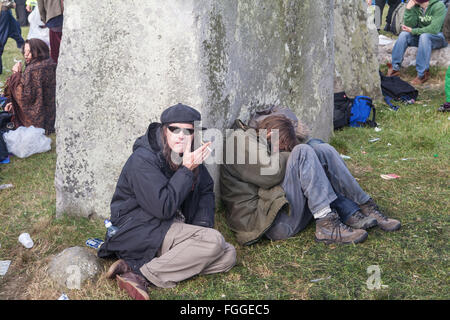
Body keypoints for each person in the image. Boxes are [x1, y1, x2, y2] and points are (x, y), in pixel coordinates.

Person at [98, 103, 237, 300]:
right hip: (138, 230)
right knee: (213, 242)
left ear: (194, 135)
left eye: (188, 131)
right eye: (175, 129)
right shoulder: (143, 159)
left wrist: (200, 229)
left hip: (167, 227)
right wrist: (187, 170)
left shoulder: (187, 155)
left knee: (228, 255)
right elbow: (162, 207)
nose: (181, 135)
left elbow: (206, 191)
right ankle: (141, 274)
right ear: (164, 130)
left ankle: (133, 266)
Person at [221, 112, 401, 246]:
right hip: (266, 224)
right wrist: (293, 153)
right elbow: (271, 173)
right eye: (281, 146)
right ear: (269, 135)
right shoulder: (239, 139)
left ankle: (364, 206)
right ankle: (326, 224)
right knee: (303, 151)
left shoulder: (259, 139)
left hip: (278, 210)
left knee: (322, 150)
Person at [387, 0, 448, 85]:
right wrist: (408, 10)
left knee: (425, 36)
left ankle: (422, 74)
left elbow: (434, 29)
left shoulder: (438, 6)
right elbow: (409, 25)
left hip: (439, 37)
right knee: (404, 34)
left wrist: (414, 31)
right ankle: (394, 69)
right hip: (422, 37)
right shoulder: (415, 6)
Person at [3, 38, 56, 134]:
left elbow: (25, 98)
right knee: (6, 101)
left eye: (30, 51)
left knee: (4, 104)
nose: (26, 54)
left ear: (39, 51)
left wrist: (16, 75)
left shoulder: (32, 69)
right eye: (25, 51)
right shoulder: (50, 63)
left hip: (38, 123)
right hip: (51, 118)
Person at [0, 0, 25, 74]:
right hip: (3, 10)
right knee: (1, 40)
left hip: (6, 10)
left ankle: (32, 61)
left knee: (18, 37)